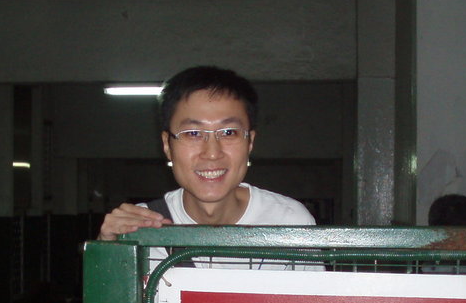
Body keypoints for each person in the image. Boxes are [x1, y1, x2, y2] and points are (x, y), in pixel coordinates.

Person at [97, 66, 317, 255]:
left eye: (229, 132)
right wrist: (106, 249)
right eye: (193, 133)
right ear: (167, 145)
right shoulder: (137, 230)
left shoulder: (291, 222)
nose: (212, 153)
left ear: (250, 142)